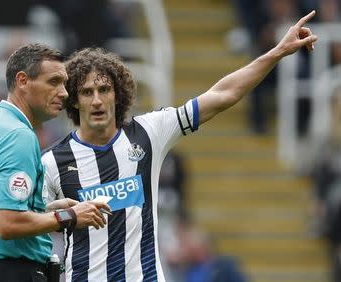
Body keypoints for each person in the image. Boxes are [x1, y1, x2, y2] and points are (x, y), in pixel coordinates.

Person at [41, 11, 318, 282]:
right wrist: (60, 215)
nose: (97, 100)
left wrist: (278, 52)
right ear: (74, 101)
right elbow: (25, 224)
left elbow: (222, 95)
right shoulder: (53, 161)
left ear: (118, 94)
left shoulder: (149, 132)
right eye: (87, 92)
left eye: (104, 90)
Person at [0, 43, 111, 282]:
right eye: (54, 82)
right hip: (13, 274)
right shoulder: (18, 135)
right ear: (22, 81)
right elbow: (8, 223)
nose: (65, 92)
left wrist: (44, 211)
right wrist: (69, 216)